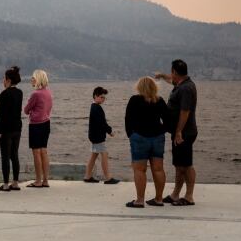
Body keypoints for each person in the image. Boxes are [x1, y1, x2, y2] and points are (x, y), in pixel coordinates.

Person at [156, 59, 198, 206]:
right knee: (179, 165)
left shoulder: (186, 88)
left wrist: (179, 131)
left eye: (171, 72)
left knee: (186, 165)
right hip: (179, 132)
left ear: (175, 72)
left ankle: (189, 196)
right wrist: (161, 75)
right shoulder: (181, 83)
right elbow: (170, 80)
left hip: (185, 133)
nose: (170, 75)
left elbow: (185, 112)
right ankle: (175, 195)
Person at [124, 76, 168, 208]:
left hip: (139, 138)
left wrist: (131, 134)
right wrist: (162, 130)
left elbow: (128, 119)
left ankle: (140, 200)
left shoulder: (134, 100)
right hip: (157, 138)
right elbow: (168, 120)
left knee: (139, 169)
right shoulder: (159, 101)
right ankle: (159, 199)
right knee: (158, 169)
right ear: (154, 87)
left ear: (139, 87)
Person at [83, 86, 120, 184]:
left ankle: (87, 176)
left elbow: (99, 123)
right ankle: (108, 178)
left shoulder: (94, 106)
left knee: (94, 155)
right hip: (97, 137)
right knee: (104, 154)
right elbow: (102, 123)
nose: (103, 99)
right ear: (95, 96)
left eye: (104, 97)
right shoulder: (96, 108)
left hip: (94, 136)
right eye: (101, 97)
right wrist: (110, 131)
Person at [24, 69, 53, 188]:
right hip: (46, 123)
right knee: (44, 151)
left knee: (36, 153)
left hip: (36, 125)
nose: (31, 80)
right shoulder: (48, 93)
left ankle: (38, 180)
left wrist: (30, 107)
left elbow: (26, 110)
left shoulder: (35, 94)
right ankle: (45, 180)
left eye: (33, 78)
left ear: (38, 79)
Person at [0, 66, 23, 191]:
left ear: (8, 80)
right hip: (17, 128)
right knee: (14, 155)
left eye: (4, 78)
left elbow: (0, 116)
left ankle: (6, 184)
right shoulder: (19, 93)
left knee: (5, 156)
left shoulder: (4, 94)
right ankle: (15, 182)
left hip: (6, 130)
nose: (3, 80)